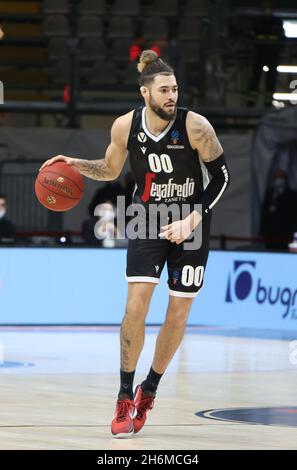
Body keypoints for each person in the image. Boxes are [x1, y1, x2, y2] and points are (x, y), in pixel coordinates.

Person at [40, 50, 230, 438]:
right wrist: (74, 164)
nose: (172, 96)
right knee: (135, 306)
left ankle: (150, 390)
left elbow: (221, 178)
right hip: (148, 219)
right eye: (164, 90)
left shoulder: (195, 127)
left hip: (191, 221)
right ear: (145, 93)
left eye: (175, 89)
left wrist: (194, 216)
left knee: (177, 313)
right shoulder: (125, 126)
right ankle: (125, 394)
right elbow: (110, 168)